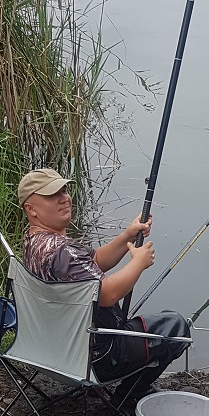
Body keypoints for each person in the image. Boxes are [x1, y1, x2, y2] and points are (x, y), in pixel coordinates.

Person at [18, 168, 190, 401]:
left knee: (159, 323)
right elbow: (107, 294)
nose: (64, 198)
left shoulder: (35, 242)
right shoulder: (64, 252)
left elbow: (95, 260)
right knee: (175, 327)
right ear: (31, 209)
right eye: (52, 195)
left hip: (56, 349)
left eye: (64, 190)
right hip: (98, 357)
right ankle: (130, 397)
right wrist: (138, 263)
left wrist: (128, 235)